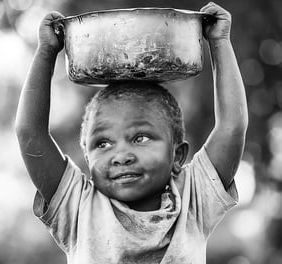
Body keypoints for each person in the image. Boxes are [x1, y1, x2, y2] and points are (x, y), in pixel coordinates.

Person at [15, 2, 248, 264]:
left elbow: (232, 126)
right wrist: (46, 51)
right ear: (87, 157)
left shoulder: (193, 199)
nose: (121, 155)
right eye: (102, 143)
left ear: (178, 156)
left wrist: (219, 42)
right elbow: (29, 133)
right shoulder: (78, 207)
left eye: (141, 138)